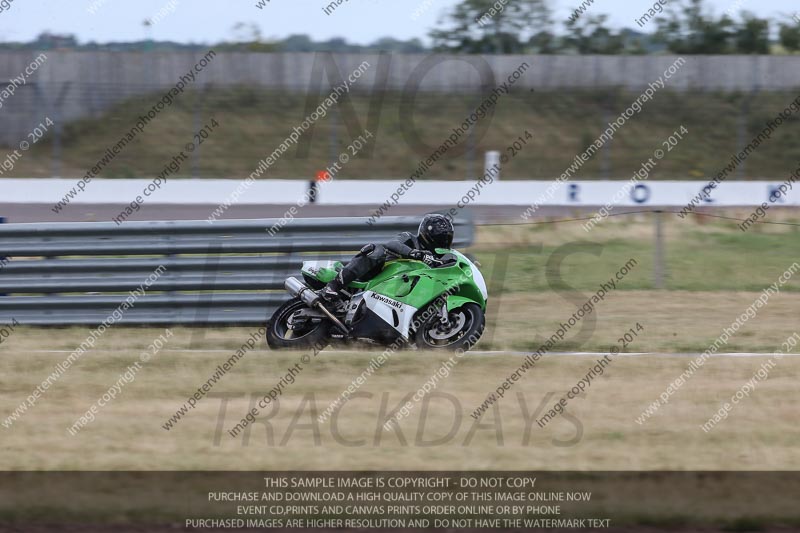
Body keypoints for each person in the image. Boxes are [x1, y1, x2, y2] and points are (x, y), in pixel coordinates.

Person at [319, 213, 455, 304]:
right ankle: (333, 286)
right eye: (441, 238)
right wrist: (415, 253)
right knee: (376, 250)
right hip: (376, 275)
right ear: (428, 234)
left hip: (400, 292)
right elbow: (392, 244)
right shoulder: (409, 238)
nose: (443, 242)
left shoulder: (435, 258)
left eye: (446, 238)